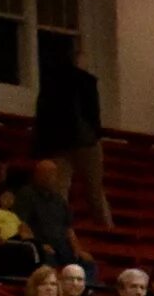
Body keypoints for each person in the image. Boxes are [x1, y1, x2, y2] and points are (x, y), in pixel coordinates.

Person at [34, 37, 112, 227]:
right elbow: (93, 113)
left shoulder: (51, 82)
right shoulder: (83, 82)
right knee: (91, 191)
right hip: (81, 141)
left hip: (64, 141)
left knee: (63, 188)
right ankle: (102, 227)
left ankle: (60, 226)